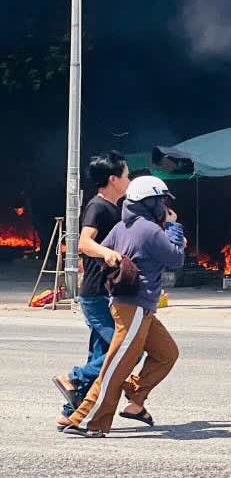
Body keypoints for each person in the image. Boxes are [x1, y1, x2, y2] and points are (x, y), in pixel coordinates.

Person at [64, 176, 186, 437]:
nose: (164, 206)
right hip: (134, 308)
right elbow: (175, 259)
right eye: (161, 201)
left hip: (136, 307)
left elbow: (100, 254)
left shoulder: (122, 226)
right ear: (149, 202)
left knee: (167, 353)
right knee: (115, 366)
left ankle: (135, 396)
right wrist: (174, 228)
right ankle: (85, 420)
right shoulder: (151, 230)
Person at [53, 151, 129, 428]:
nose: (129, 179)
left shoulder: (116, 207)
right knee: (124, 349)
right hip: (95, 294)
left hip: (106, 292)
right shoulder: (98, 206)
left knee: (99, 355)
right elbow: (84, 243)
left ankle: (69, 413)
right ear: (113, 179)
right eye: (126, 175)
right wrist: (106, 253)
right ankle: (72, 377)